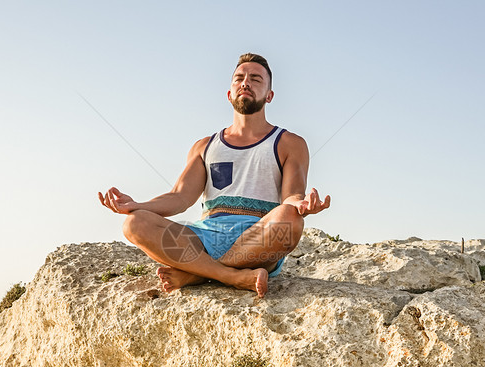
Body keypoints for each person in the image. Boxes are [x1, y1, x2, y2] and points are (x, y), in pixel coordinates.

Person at [98, 53, 330, 297]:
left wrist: (300, 204)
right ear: (229, 93)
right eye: (239, 78)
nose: (246, 82)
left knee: (291, 219)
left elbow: (291, 195)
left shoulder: (290, 143)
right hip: (204, 238)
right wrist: (136, 205)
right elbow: (180, 197)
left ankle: (197, 273)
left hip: (257, 240)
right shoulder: (204, 146)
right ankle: (232, 276)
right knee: (134, 223)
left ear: (269, 95)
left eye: (256, 79)